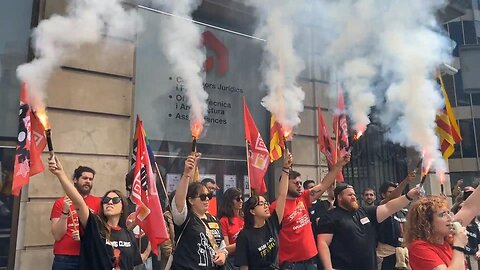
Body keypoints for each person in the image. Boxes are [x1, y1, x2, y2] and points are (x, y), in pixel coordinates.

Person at [48, 156, 149, 269]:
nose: (109, 203)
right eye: (106, 200)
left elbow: (137, 258)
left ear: (122, 208)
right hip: (68, 258)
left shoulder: (126, 233)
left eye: (115, 200)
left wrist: (150, 246)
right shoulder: (97, 227)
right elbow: (79, 203)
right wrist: (61, 174)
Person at [270, 154, 351, 270]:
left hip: (311, 261)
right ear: (285, 184)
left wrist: (338, 165)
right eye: (296, 183)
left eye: (300, 183)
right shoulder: (276, 207)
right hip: (291, 265)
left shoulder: (303, 197)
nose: (299, 186)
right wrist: (285, 169)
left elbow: (323, 185)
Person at [317, 182, 420, 270]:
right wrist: (328, 268)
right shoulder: (330, 217)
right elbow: (323, 243)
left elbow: (389, 207)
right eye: (349, 195)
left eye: (354, 194)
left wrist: (409, 196)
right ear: (339, 197)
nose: (354, 197)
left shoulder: (365, 212)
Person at [234, 151, 292, 270]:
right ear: (252, 211)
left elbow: (282, 195)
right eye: (261, 204)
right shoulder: (244, 236)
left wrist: (285, 168)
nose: (266, 206)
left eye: (266, 203)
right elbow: (244, 267)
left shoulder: (272, 223)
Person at [171, 153, 227, 269]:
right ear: (191, 200)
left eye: (209, 196)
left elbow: (222, 246)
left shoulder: (214, 219)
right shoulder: (185, 219)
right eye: (202, 197)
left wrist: (223, 255)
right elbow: (179, 202)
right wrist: (186, 174)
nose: (207, 199)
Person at [50, 165, 101, 270]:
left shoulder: (99, 202)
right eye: (84, 178)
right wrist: (65, 212)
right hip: (65, 257)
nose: (88, 181)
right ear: (75, 180)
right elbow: (57, 235)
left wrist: (84, 236)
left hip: (89, 255)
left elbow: (102, 232)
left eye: (90, 179)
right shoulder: (60, 202)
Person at [375, 171, 416, 270]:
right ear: (383, 195)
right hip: (387, 256)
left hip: (403, 254)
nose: (397, 195)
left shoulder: (404, 212)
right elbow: (391, 199)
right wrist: (405, 182)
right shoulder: (381, 208)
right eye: (391, 192)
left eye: (398, 192)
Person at [125, 171, 152, 270]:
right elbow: (121, 231)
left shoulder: (149, 206)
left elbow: (153, 231)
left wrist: (146, 254)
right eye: (138, 183)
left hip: (147, 257)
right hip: (127, 257)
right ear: (129, 185)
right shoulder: (122, 205)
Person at [451, 188, 480, 270]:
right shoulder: (421, 247)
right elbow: (468, 209)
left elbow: (470, 209)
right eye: (442, 214)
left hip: (472, 256)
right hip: (463, 254)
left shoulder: (475, 226)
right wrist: (459, 247)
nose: (448, 217)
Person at [218, 187, 244, 270]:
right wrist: (244, 243)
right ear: (229, 201)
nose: (241, 201)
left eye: (242, 198)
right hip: (233, 261)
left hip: (247, 257)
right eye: (237, 199)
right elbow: (226, 248)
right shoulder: (224, 221)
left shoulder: (244, 217)